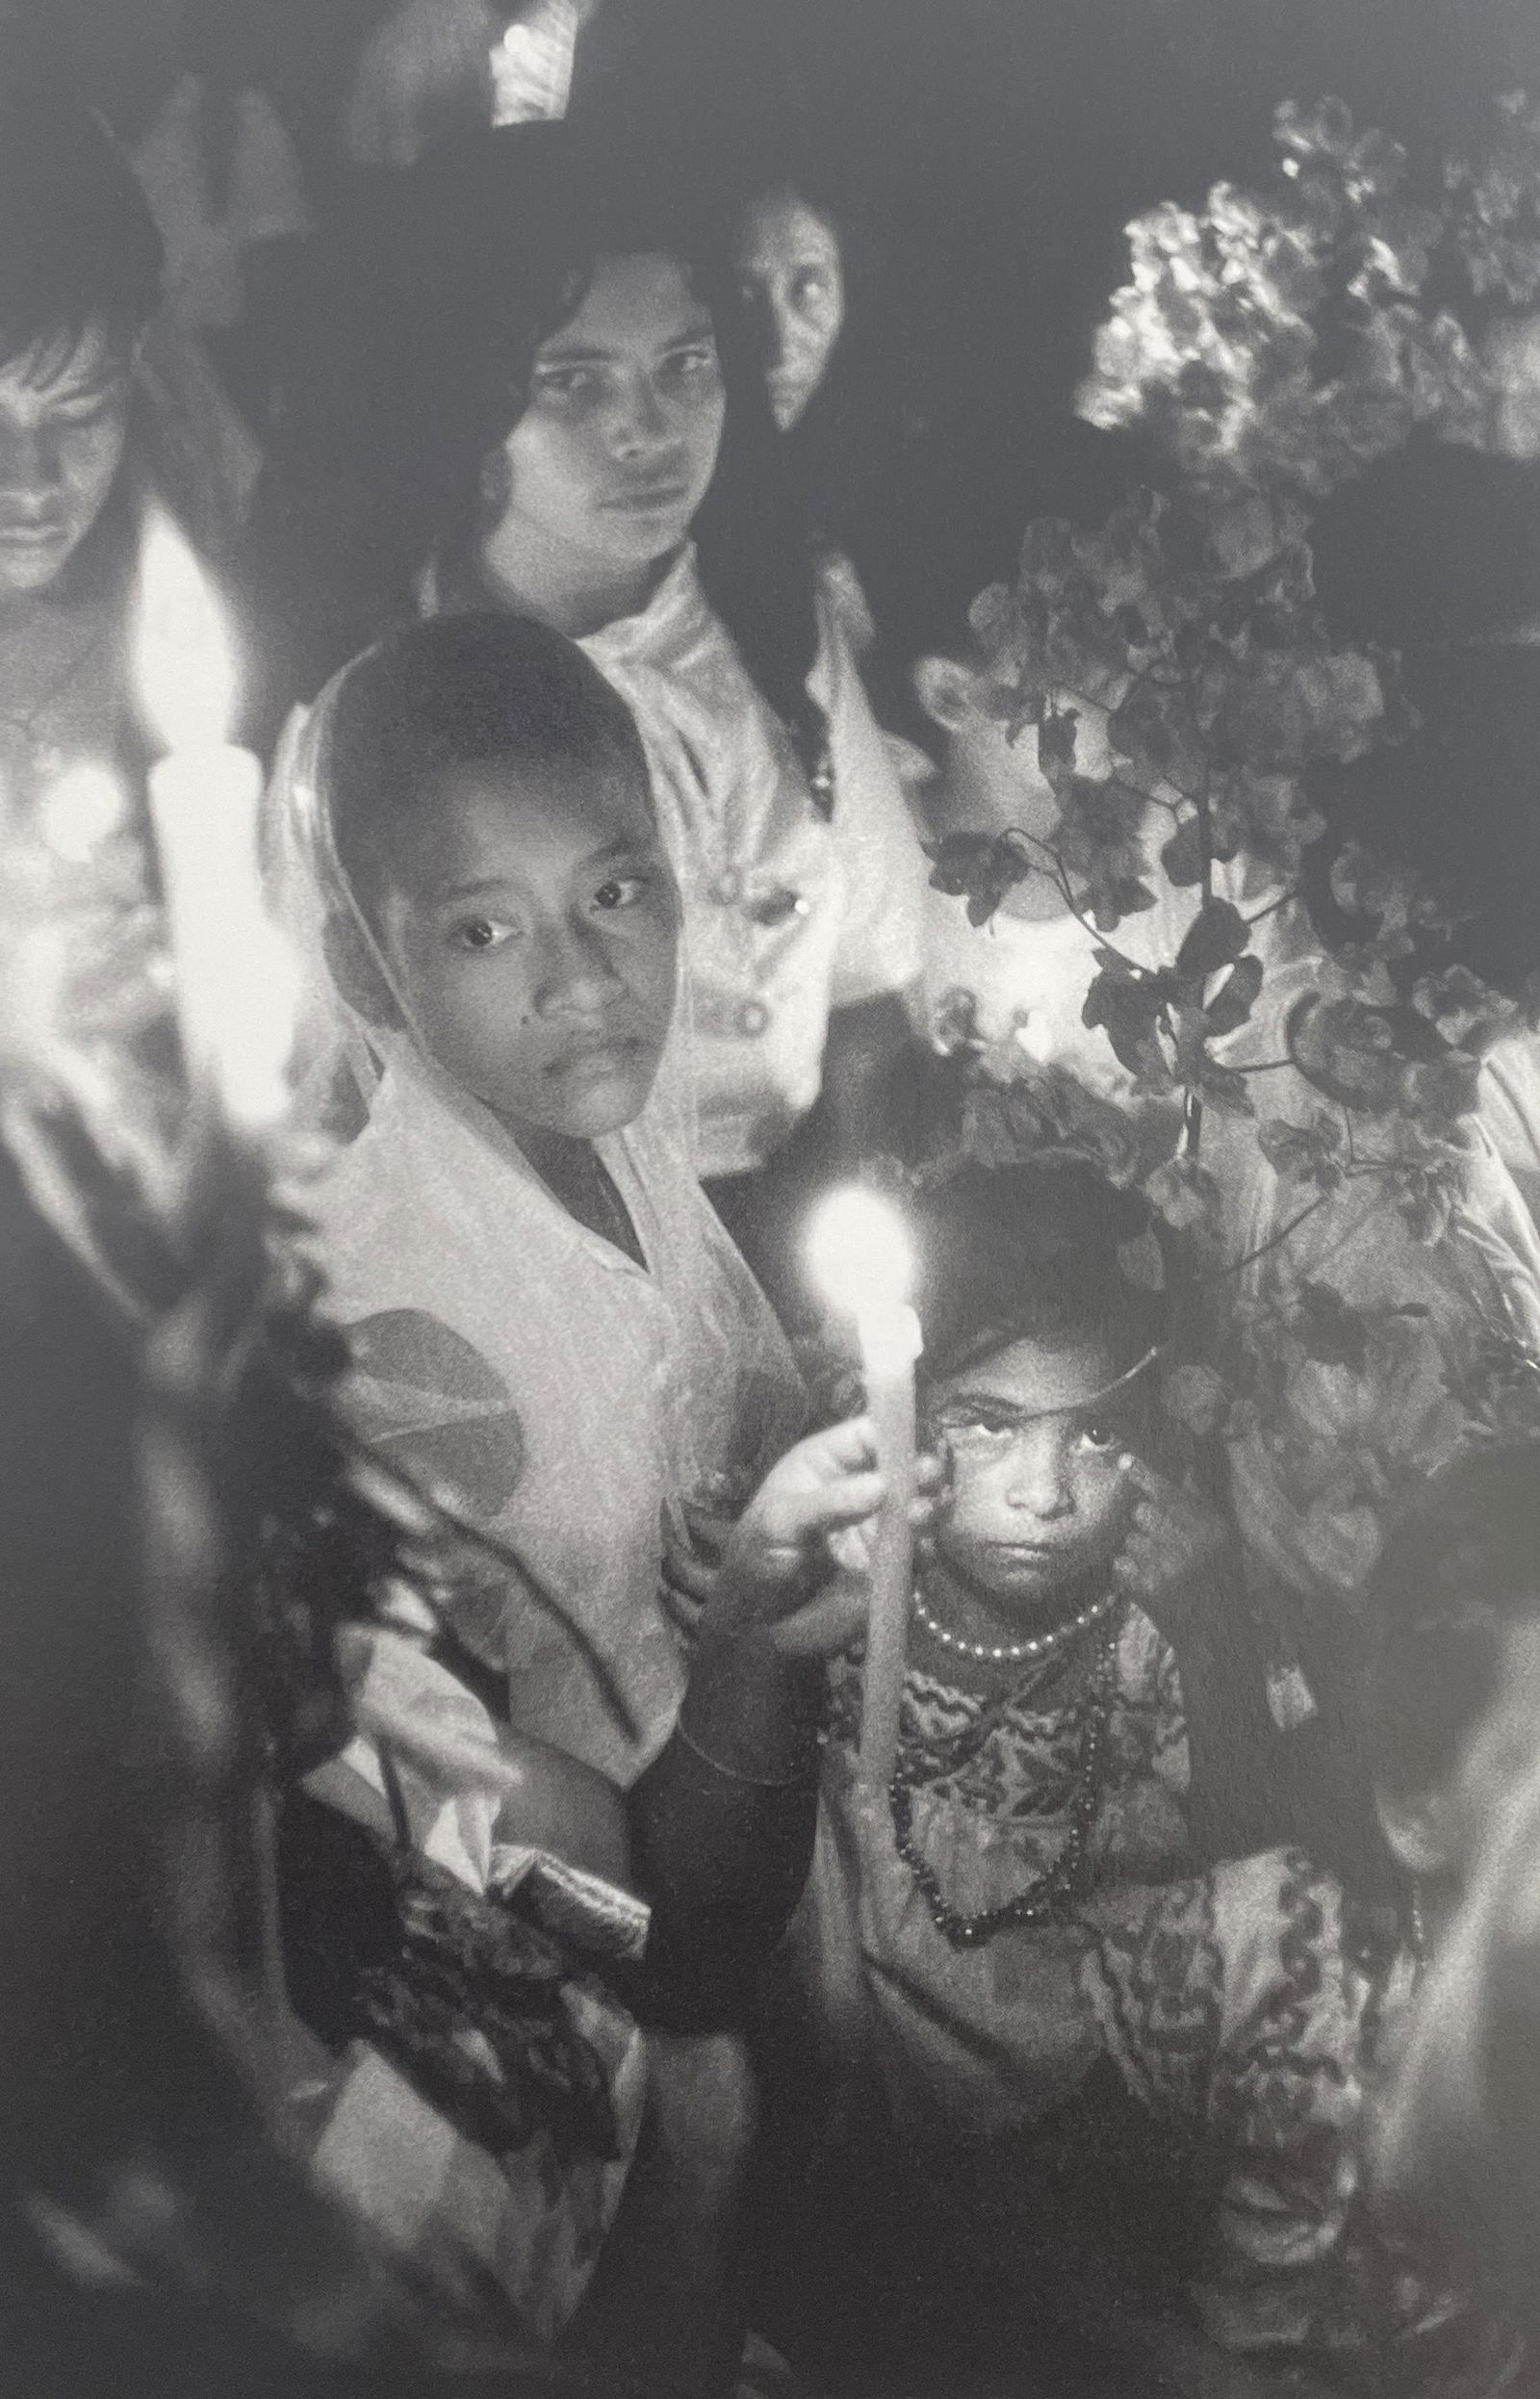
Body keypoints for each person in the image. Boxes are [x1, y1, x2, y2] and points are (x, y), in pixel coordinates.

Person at [265, 607, 929, 2383]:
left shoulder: (612, 1110)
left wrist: (784, 1432)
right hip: (602, 1941)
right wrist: (744, 1637)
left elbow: (715, 1367)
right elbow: (559, 1867)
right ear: (361, 958)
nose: (581, 974)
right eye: (484, 930)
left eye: (617, 892)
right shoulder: (380, 1314)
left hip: (764, 1806)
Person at [751, 1173, 1532, 2397]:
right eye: (985, 1423)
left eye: (1098, 1434)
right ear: (893, 1407)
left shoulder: (1162, 1625)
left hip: (1098, 2123)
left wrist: (1214, 1639)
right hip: (853, 2106)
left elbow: (1262, 1877)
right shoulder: (847, 1594)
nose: (1046, 1491)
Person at [287, 123, 926, 1298]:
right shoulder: (375, 710)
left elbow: (874, 984)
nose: (647, 430)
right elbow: (346, 1104)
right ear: (474, 402)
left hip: (804, 1222)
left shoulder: (769, 621)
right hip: (542, 1273)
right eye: (575, 383)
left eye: (685, 367)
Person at [131, 0, 311, 435]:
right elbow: (272, 254)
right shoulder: (253, 122)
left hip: (163, 337)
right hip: (217, 343)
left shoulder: (154, 121)